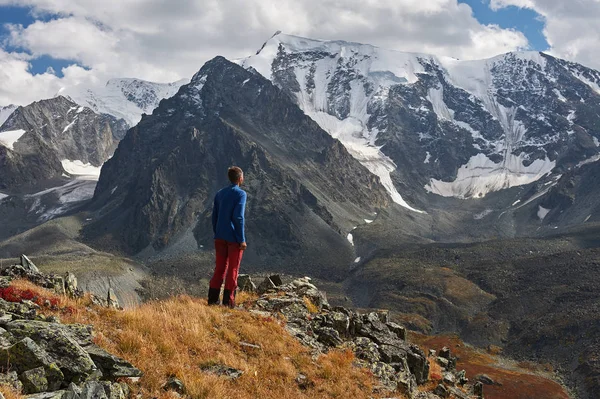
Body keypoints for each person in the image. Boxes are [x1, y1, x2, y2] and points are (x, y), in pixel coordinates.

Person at [207, 166, 247, 308]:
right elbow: (238, 217)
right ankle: (228, 302)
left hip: (220, 236)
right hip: (233, 238)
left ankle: (212, 300)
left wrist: (217, 232)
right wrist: (241, 239)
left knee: (219, 268)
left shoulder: (219, 193)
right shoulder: (240, 194)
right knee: (233, 269)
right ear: (240, 178)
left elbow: (214, 216)